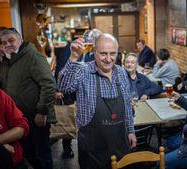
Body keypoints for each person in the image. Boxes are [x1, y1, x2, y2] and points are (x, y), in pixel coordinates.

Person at [58, 33, 137, 169]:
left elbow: (127, 106)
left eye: (112, 53)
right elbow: (63, 87)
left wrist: (130, 131)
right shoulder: (83, 70)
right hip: (92, 147)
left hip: (120, 141)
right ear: (94, 52)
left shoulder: (122, 73)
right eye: (103, 54)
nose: (108, 59)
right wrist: (73, 57)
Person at [0, 28, 56, 169]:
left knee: (42, 154)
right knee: (29, 153)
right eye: (3, 42)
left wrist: (42, 112)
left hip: (35, 116)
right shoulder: (8, 59)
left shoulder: (33, 56)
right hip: (19, 118)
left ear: (20, 40)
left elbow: (49, 84)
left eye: (11, 40)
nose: (8, 44)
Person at [55, 28, 102, 159]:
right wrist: (58, 89)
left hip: (87, 90)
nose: (95, 42)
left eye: (97, 40)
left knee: (89, 116)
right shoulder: (71, 49)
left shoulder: (98, 52)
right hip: (70, 88)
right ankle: (67, 145)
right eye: (93, 39)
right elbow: (61, 69)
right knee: (67, 115)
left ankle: (91, 141)